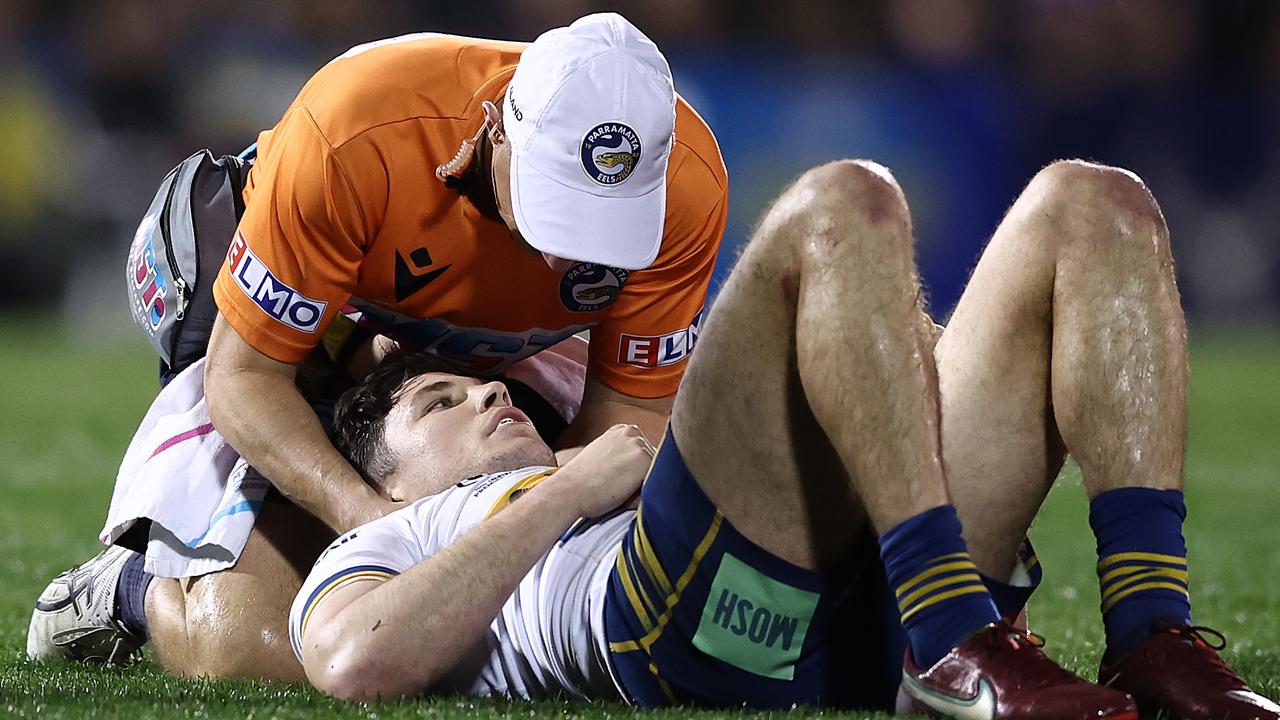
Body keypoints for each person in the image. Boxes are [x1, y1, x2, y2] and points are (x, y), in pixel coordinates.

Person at [289, 159, 1278, 719]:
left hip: (860, 609)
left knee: (1094, 202)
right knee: (838, 203)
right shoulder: (382, 545)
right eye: (439, 406)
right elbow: (351, 666)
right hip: (701, 633)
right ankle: (946, 642)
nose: (485, 400)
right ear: (392, 484)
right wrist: (564, 489)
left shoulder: (610, 457)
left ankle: (1151, 638)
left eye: (475, 385)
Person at [27, 13, 726, 681]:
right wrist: (375, 526)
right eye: (556, 205)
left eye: (608, 225)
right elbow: (245, 377)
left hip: (498, 356)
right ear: (496, 130)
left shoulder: (689, 187)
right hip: (302, 346)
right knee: (250, 645)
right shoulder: (357, 129)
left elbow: (624, 426)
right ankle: (131, 586)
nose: (568, 255)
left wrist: (493, 543)